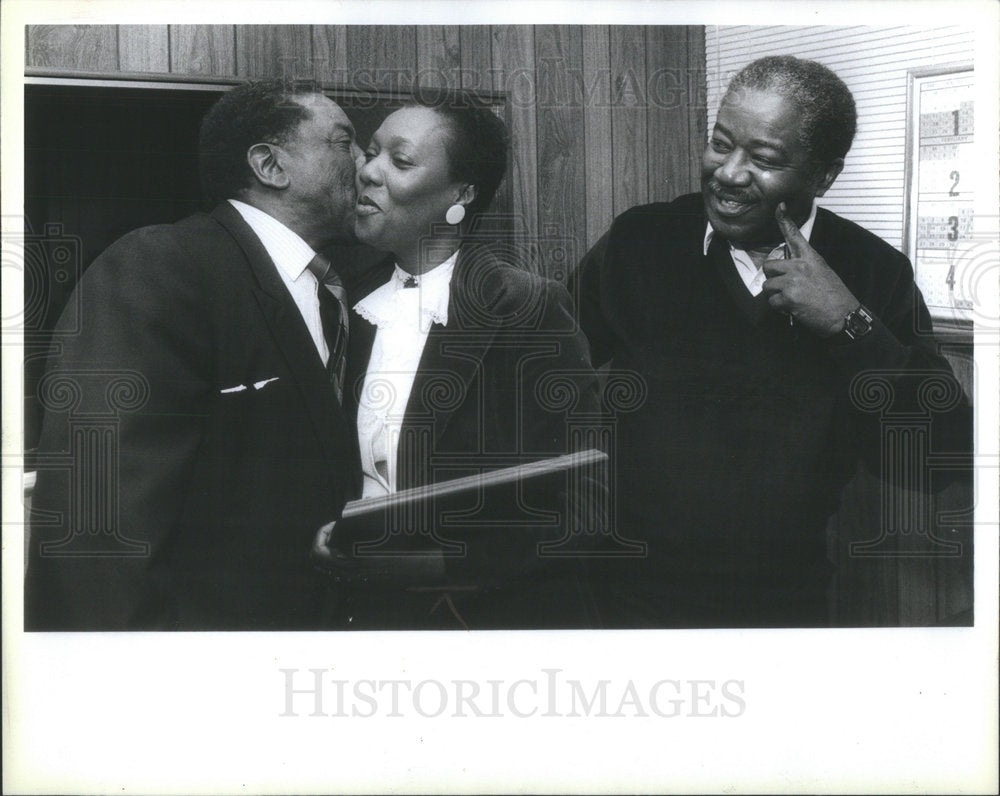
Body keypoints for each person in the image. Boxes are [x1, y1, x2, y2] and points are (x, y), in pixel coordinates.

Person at [573, 55, 972, 628]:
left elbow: (939, 458)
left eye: (763, 160)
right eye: (720, 144)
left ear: (824, 175)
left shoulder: (872, 271)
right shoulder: (642, 239)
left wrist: (848, 322)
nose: (729, 174)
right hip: (626, 594)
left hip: (783, 604)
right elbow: (543, 371)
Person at [25, 80, 364, 630]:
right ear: (269, 165)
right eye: (343, 141)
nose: (364, 162)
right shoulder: (162, 266)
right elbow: (98, 518)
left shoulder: (340, 292)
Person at [312, 98, 603, 629]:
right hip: (361, 620)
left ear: (460, 195)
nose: (368, 171)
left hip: (489, 623)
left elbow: (580, 508)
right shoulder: (341, 299)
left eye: (400, 162)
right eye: (371, 152)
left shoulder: (527, 309)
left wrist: (426, 566)